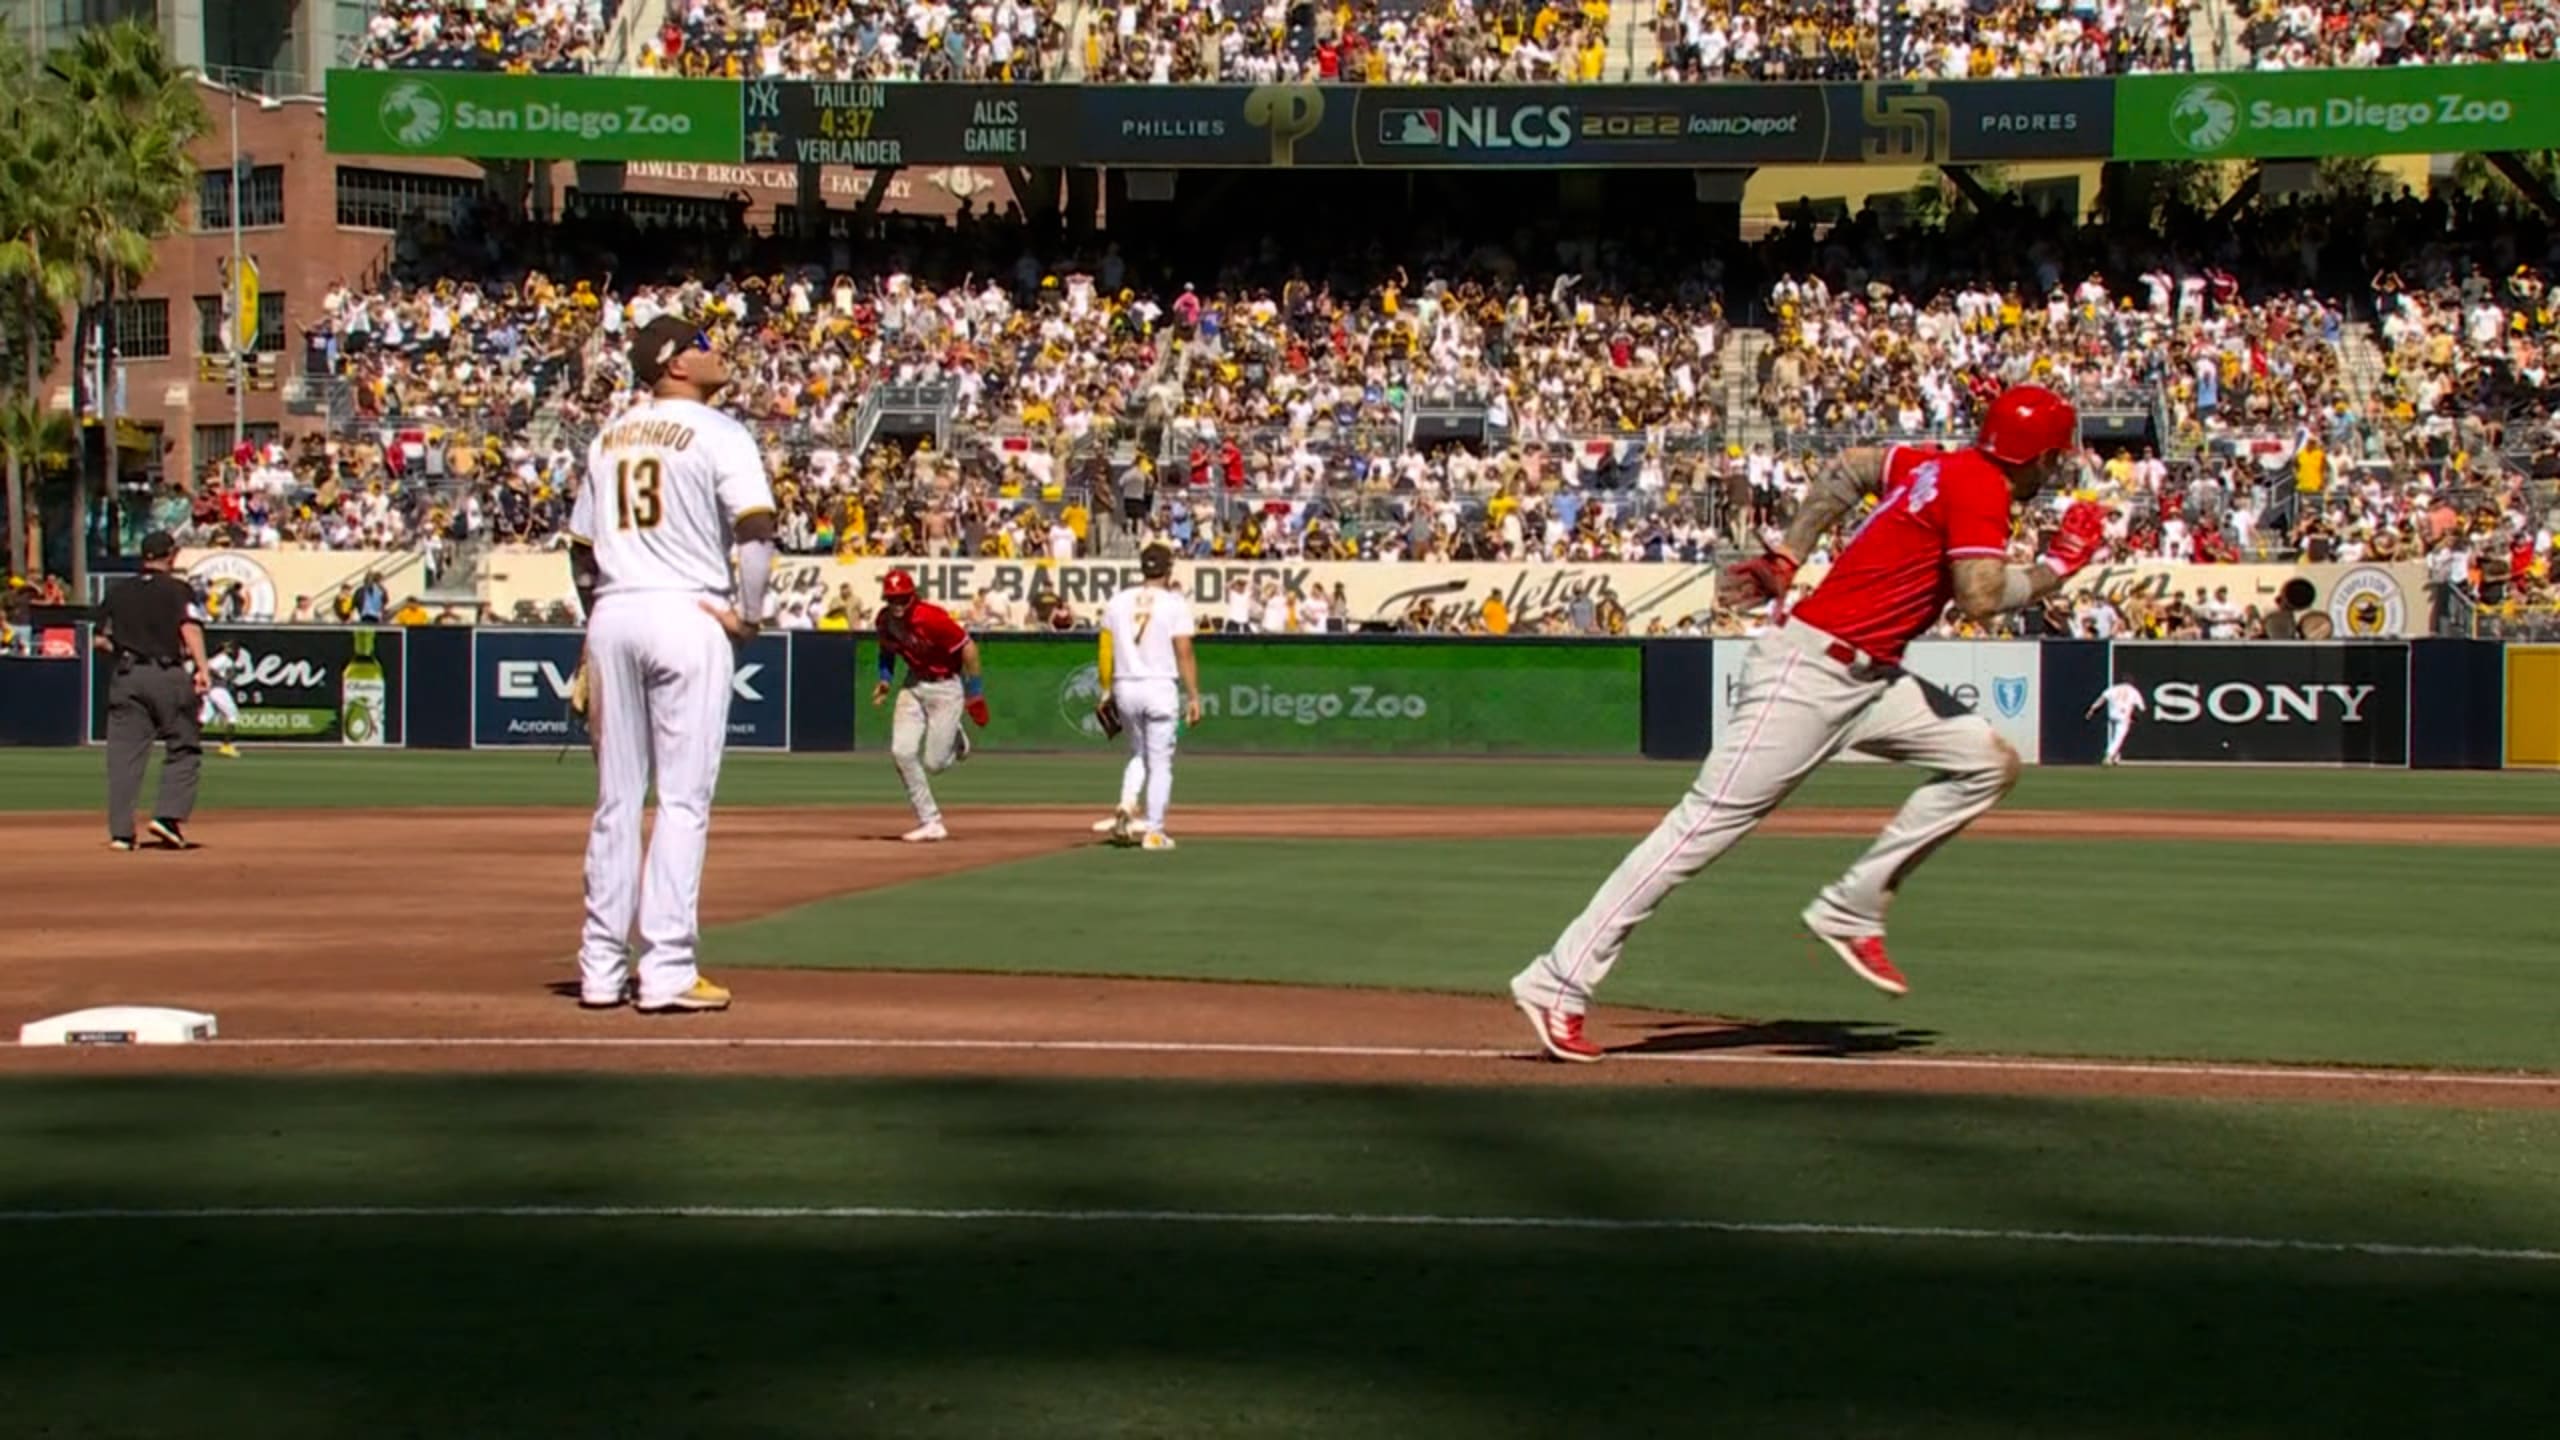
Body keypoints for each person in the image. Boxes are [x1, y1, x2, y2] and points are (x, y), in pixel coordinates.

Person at [1508, 385, 2110, 1063]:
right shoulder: (1983, 487)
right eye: (2054, 457)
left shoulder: (1935, 464)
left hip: (1868, 676)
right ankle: (1557, 980)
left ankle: (1851, 906)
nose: (2056, 469)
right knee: (1697, 832)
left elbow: (1849, 468)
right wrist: (2059, 567)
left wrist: (1790, 554)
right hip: (1809, 674)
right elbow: (1979, 597)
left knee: (1985, 761)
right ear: (2032, 453)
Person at [567, 313, 778, 1015]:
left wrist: (590, 630)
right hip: (688, 610)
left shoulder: (609, 436)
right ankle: (666, 969)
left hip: (615, 610)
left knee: (616, 803)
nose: (714, 351)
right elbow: (755, 531)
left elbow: (580, 548)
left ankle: (599, 968)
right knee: (682, 802)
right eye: (701, 344)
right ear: (674, 364)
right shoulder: (720, 432)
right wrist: (748, 614)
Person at [94, 531, 210, 850]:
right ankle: (168, 817)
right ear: (170, 555)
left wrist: (122, 649)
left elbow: (99, 639)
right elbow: (189, 627)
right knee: (184, 746)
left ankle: (120, 833)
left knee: (123, 757)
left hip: (127, 675)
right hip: (165, 673)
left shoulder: (119, 591)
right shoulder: (177, 590)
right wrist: (202, 667)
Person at [1090, 542, 1203, 850]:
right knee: (1161, 762)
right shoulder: (1175, 603)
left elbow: (1105, 651)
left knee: (1138, 752)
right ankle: (1154, 830)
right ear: (1168, 570)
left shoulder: (1117, 601)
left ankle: (1127, 803)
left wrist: (1105, 690)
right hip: (1159, 685)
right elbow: (1184, 651)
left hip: (1126, 686)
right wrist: (1194, 696)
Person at [874, 567, 987, 842]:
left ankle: (956, 739)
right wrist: (885, 680)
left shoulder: (931, 617)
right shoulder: (885, 621)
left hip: (946, 686)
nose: (897, 605)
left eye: (902, 598)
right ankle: (930, 821)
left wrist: (975, 694)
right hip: (913, 685)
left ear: (912, 596)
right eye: (892, 599)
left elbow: (968, 648)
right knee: (901, 752)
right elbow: (887, 652)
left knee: (935, 763)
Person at [200, 638, 245, 759]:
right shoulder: (223, 658)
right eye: (235, 649)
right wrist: (221, 677)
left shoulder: (225, 659)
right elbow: (210, 668)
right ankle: (226, 746)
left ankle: (187, 741)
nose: (236, 652)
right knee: (233, 717)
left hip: (212, 691)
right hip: (218, 690)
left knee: (203, 719)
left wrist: (236, 671)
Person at [2086, 679, 2145, 765]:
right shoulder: (2133, 691)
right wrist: (2135, 717)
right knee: (2118, 737)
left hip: (2112, 715)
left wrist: (2092, 709)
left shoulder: (2113, 689)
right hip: (2123, 716)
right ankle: (2109, 756)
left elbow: (2102, 699)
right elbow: (2141, 707)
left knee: (2113, 736)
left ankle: (2115, 756)